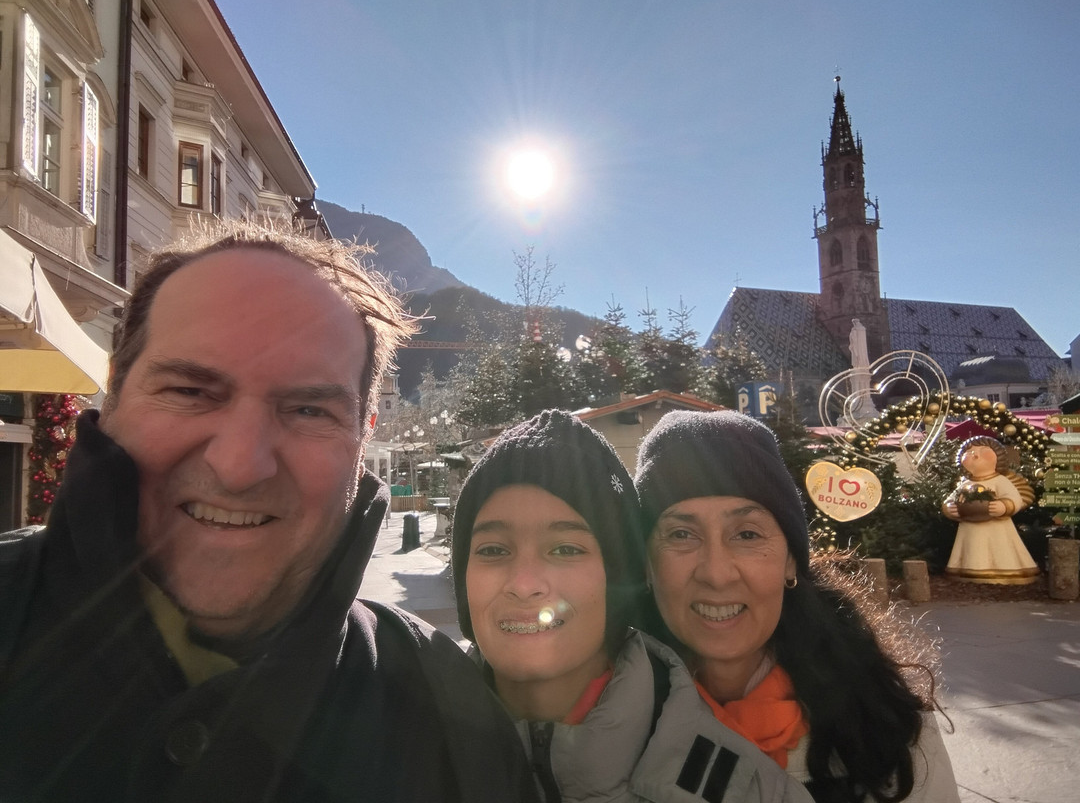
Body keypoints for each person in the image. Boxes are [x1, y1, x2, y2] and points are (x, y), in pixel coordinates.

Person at [0, 220, 536, 803]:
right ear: (116, 390)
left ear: (363, 438)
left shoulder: (447, 708)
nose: (239, 465)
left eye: (308, 410)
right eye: (190, 391)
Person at [450, 409, 813, 803]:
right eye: (493, 550)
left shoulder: (764, 782)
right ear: (646, 569)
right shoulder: (398, 744)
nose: (717, 573)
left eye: (567, 548)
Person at [634, 410, 960, 803]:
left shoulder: (883, 723)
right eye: (681, 533)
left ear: (790, 560)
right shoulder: (604, 727)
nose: (717, 574)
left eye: (747, 534)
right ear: (648, 566)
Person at [942, 436, 1039, 584]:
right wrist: (950, 508)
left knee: (1000, 548)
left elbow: (1015, 498)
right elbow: (951, 499)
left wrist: (1005, 506)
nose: (975, 454)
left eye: (983, 450)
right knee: (972, 549)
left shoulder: (1000, 481)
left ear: (998, 458)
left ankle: (1005, 570)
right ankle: (968, 569)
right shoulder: (965, 484)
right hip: (969, 528)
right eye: (969, 451)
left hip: (998, 529)